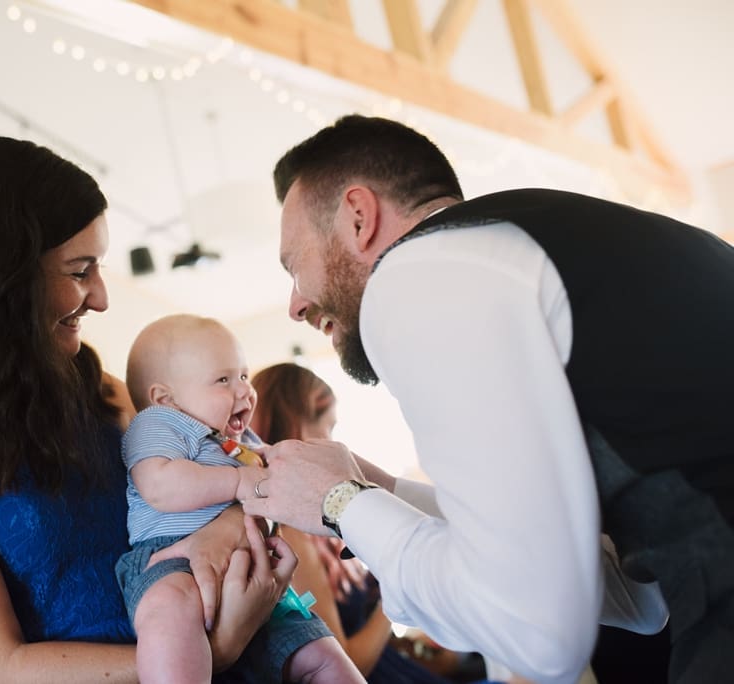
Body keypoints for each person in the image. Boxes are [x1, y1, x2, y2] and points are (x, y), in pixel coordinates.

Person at [243, 114, 734, 684]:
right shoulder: (536, 241)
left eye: (293, 265)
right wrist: (385, 495)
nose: (295, 304)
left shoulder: (414, 276)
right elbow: (633, 593)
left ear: (358, 215)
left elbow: (540, 638)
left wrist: (339, 503)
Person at [0, 137, 294, 683]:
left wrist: (230, 529)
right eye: (80, 271)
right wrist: (209, 653)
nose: (100, 298)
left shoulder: (101, 390)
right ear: (2, 278)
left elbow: (224, 470)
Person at [118, 313, 364, 683]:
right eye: (223, 380)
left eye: (245, 376)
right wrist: (237, 483)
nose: (245, 391)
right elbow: (160, 485)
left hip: (254, 567)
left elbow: (276, 479)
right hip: (172, 558)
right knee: (169, 615)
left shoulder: (240, 441)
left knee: (323, 654)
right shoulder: (159, 424)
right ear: (164, 399)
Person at [251, 362, 502, 684]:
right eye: (327, 428)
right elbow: (347, 662)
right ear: (300, 427)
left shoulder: (323, 526)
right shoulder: (293, 537)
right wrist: (394, 585)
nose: (335, 442)